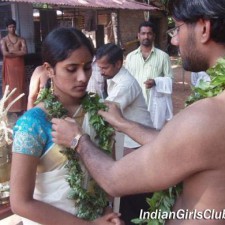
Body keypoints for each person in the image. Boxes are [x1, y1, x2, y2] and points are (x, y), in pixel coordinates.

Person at [50, 1, 225, 225]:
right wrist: (123, 123)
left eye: (177, 28)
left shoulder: (206, 117)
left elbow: (113, 180)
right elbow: (179, 145)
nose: (174, 40)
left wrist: (77, 140)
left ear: (203, 28)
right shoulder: (212, 110)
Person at [10, 27, 123, 225]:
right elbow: (20, 203)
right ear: (49, 69)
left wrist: (106, 211)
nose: (82, 77)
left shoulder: (100, 113)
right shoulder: (32, 123)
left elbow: (106, 175)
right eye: (71, 69)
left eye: (87, 67)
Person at [95, 43, 153, 224]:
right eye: (99, 68)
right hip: (129, 141)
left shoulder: (125, 84)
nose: (101, 72)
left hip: (136, 144)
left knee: (133, 191)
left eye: (105, 68)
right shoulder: (115, 78)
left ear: (118, 64)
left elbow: (104, 112)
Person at [125, 21, 173, 130]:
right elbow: (127, 81)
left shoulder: (163, 57)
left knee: (154, 135)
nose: (146, 36)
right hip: (135, 104)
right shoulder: (130, 57)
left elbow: (170, 79)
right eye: (143, 33)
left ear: (154, 36)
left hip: (155, 104)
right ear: (138, 35)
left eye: (149, 33)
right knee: (136, 135)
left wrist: (156, 82)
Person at [0, 18, 27, 114]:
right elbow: (5, 53)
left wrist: (12, 51)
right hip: (9, 66)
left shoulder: (21, 39)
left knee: (20, 85)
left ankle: (21, 107)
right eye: (10, 27)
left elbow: (25, 52)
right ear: (7, 28)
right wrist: (18, 52)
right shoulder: (3, 40)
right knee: (10, 86)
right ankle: (10, 108)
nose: (12, 28)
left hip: (19, 65)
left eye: (13, 26)